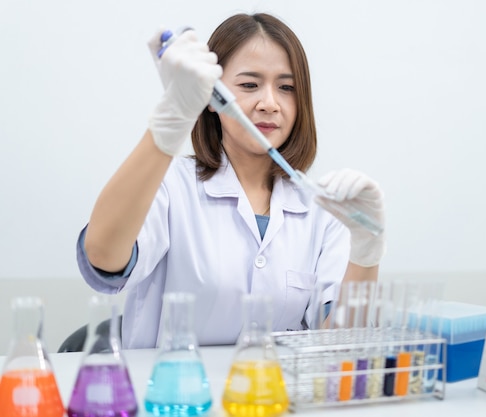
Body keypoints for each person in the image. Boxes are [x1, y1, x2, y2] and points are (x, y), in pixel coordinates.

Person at [76, 12, 386, 349]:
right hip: (173, 396)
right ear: (212, 97)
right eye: (249, 85)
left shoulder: (324, 210)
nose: (270, 103)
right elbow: (102, 260)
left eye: (286, 87)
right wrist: (171, 119)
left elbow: (341, 344)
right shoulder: (171, 186)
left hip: (272, 398)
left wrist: (366, 252)